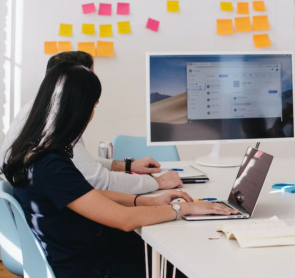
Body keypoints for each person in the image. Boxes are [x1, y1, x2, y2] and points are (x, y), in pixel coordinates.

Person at [2, 63, 239, 278]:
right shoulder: (52, 163)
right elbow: (124, 220)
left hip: (70, 267)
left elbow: (93, 198)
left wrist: (150, 199)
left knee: (172, 274)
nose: (94, 113)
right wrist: (179, 210)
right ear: (81, 108)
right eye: (93, 105)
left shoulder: (33, 153)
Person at [0, 51, 182, 194]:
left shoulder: (37, 110)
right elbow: (99, 181)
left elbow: (77, 164)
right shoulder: (56, 122)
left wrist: (128, 166)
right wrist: (158, 182)